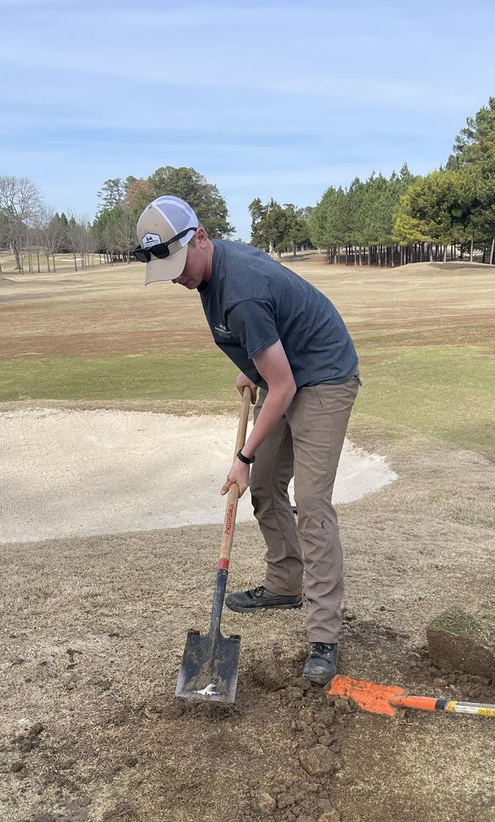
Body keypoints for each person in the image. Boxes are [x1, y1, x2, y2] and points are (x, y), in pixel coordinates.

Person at [134, 194, 361, 687]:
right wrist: (249, 370)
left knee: (313, 502)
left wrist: (242, 456)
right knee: (263, 490)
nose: (176, 277)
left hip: (322, 377)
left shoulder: (241, 291)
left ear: (200, 238)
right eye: (166, 269)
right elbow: (261, 354)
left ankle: (324, 635)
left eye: (177, 264)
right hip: (286, 374)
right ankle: (285, 585)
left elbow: (284, 385)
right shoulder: (206, 274)